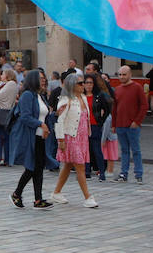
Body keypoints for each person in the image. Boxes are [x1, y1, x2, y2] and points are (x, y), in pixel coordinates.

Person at [49, 73, 98, 208]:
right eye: (80, 83)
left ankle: (56, 192)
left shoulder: (82, 97)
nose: (83, 85)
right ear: (72, 85)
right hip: (70, 137)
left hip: (82, 137)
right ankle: (87, 197)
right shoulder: (65, 100)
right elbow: (60, 121)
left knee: (68, 165)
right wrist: (61, 140)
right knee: (80, 167)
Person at [9, 70, 52, 209]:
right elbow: (25, 117)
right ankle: (18, 193)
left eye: (44, 78)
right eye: (40, 78)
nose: (43, 80)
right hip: (30, 136)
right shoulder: (27, 95)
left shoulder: (40, 96)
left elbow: (44, 115)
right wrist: (41, 125)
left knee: (37, 168)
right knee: (32, 167)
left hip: (40, 136)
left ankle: (37, 199)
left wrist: (46, 128)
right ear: (33, 80)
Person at [111, 65, 148, 183]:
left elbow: (144, 105)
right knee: (124, 150)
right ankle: (123, 173)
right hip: (120, 125)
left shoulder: (137, 87)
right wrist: (114, 124)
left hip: (132, 126)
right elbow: (115, 108)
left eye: (124, 74)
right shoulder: (117, 89)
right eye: (120, 74)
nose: (121, 77)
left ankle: (138, 174)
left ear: (130, 75)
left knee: (136, 150)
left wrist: (137, 121)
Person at [0, 68, 18, 166]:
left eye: (3, 74)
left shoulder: (10, 84)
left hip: (3, 112)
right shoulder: (11, 84)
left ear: (8, 75)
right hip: (7, 112)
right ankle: (7, 160)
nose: (1, 76)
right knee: (5, 137)